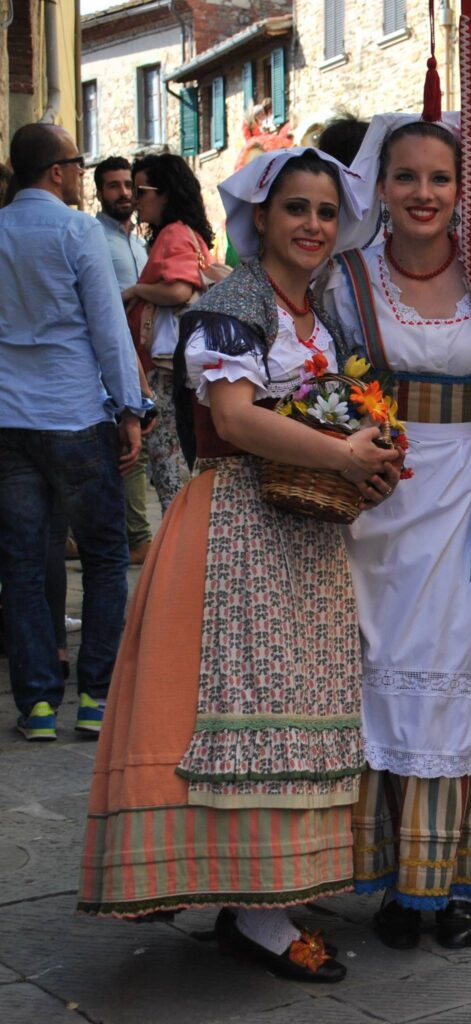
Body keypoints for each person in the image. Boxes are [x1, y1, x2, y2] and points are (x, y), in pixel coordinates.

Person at [77, 148, 401, 983]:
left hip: (305, 533)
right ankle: (256, 911)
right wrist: (341, 452)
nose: (313, 226)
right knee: (244, 709)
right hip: (239, 529)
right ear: (261, 217)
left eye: (326, 213)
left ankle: (269, 890)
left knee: (297, 704)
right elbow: (238, 418)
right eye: (297, 208)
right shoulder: (234, 300)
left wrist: (366, 454)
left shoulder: (316, 316)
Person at [323, 112, 471, 951]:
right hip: (374, 499)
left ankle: (443, 881)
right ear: (381, 185)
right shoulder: (346, 280)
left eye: (440, 179)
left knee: (452, 663)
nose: (424, 194)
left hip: (463, 491)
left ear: (459, 189)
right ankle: (380, 874)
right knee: (372, 666)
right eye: (407, 177)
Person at [0, 123, 146, 741]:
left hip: (9, 417)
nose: (83, 175)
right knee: (106, 556)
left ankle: (35, 704)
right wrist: (132, 408)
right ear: (57, 171)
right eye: (79, 164)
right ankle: (95, 695)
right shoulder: (77, 230)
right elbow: (109, 329)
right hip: (75, 413)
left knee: (23, 562)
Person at [121, 153, 213, 513]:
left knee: (170, 471)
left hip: (164, 371)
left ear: (165, 193)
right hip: (183, 367)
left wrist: (136, 291)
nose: (134, 199)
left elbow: (177, 291)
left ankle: (179, 557)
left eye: (141, 190)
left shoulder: (173, 234)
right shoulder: (190, 234)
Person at [95, 155, 155, 564]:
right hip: (111, 359)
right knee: (126, 448)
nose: (124, 193)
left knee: (134, 447)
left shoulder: (138, 243)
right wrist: (135, 292)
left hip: (143, 355)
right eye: (114, 186)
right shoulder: (92, 237)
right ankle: (137, 536)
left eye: (128, 185)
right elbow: (98, 306)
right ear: (98, 192)